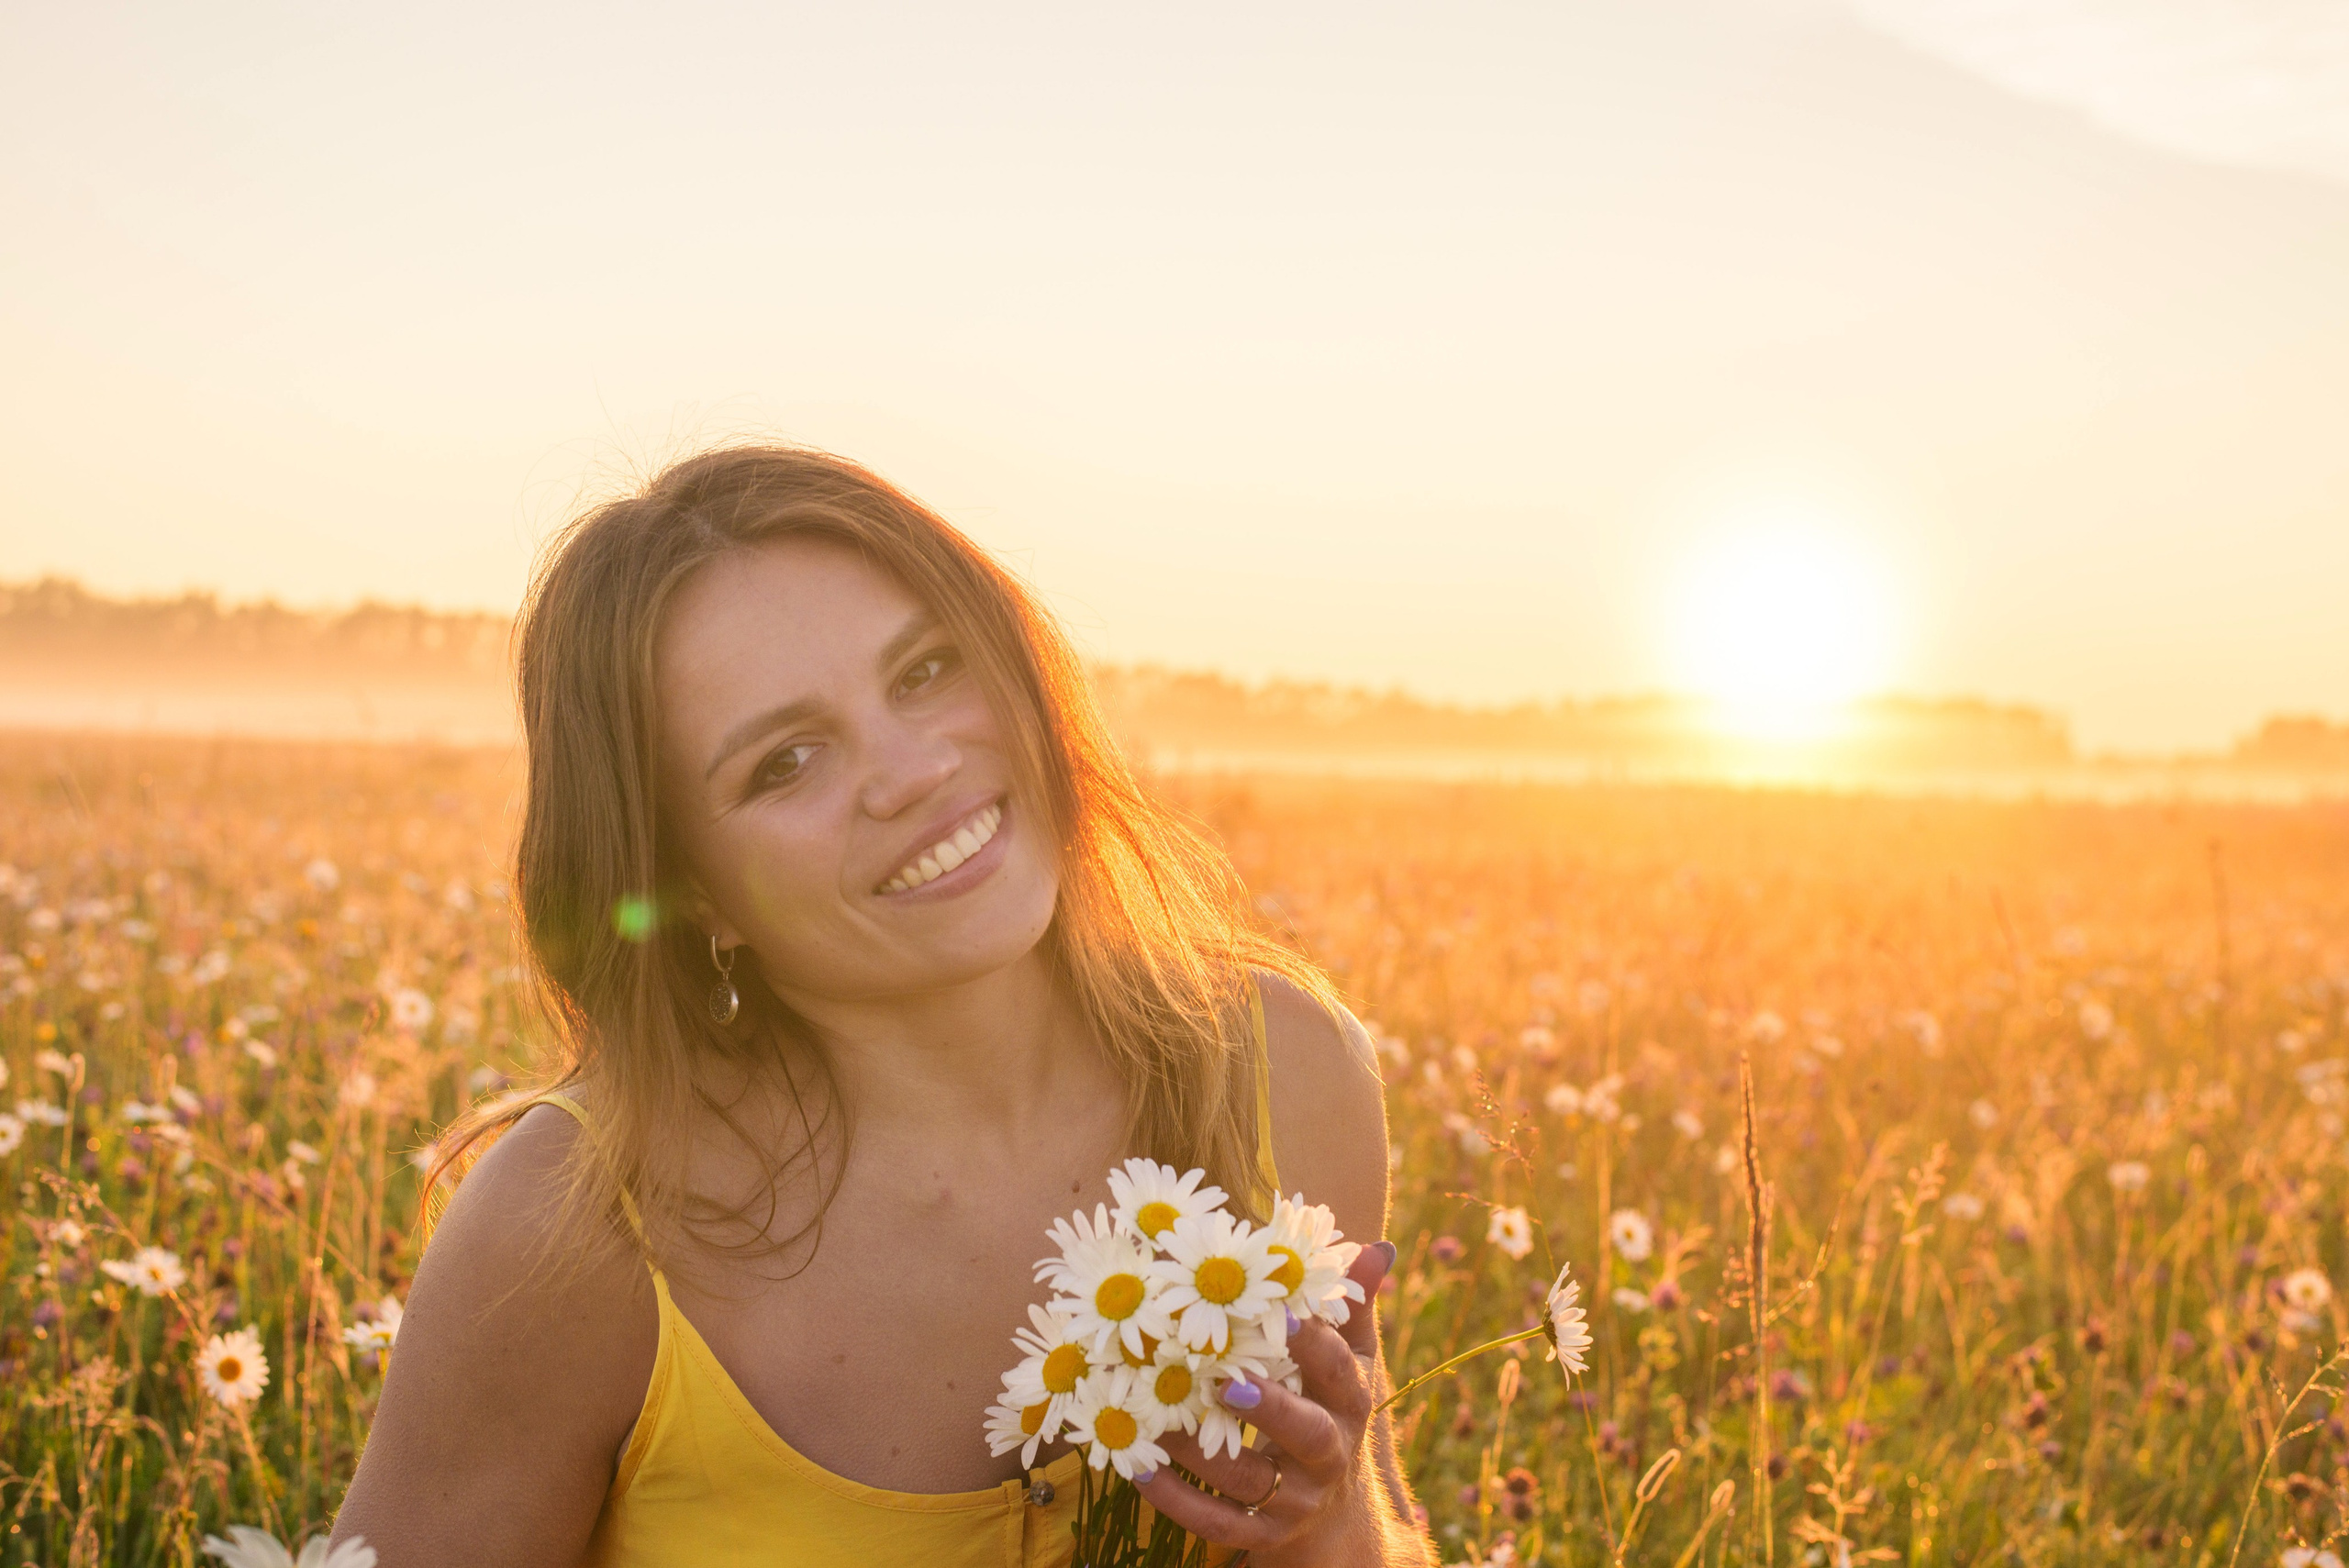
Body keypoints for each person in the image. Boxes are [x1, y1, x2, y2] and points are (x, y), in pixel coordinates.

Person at [331, 446, 1431, 1566]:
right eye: (786, 760)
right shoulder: (575, 1227)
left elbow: (1372, 1534)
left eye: (924, 671)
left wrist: (1331, 1517)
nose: (910, 770)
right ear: (689, 890)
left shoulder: (1281, 1069)